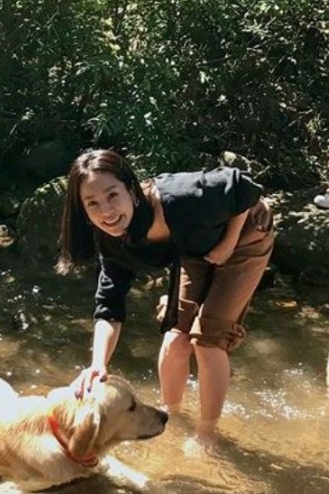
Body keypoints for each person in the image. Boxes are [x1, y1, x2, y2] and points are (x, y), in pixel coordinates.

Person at [59, 144, 276, 436]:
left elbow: (245, 187)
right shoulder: (111, 241)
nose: (106, 211)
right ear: (83, 210)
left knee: (207, 340)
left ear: (131, 190)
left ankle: (206, 433)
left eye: (112, 195)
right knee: (175, 339)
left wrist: (228, 243)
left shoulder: (182, 197)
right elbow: (109, 306)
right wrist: (98, 364)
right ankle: (171, 418)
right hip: (194, 246)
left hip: (244, 233)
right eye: (93, 204)